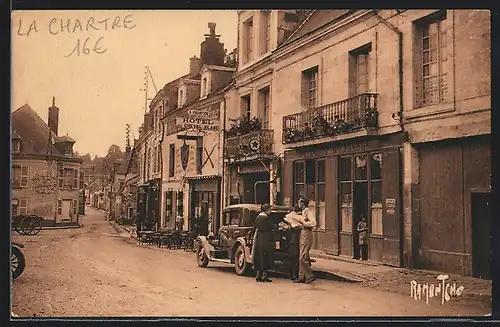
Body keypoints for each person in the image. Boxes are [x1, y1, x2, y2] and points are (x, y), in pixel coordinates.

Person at [294, 197, 316, 284]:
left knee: (302, 256)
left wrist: (303, 223)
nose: (298, 204)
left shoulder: (308, 211)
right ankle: (301, 276)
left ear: (302, 203)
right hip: (303, 232)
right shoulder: (303, 212)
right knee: (302, 255)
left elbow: (313, 223)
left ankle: (310, 276)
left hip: (307, 232)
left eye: (299, 202)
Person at [252, 203, 275, 282]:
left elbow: (254, 227)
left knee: (259, 256)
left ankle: (258, 275)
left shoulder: (258, 217)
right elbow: (272, 226)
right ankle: (264, 276)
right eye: (269, 210)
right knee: (265, 257)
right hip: (265, 238)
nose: (270, 211)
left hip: (259, 238)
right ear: (266, 210)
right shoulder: (265, 218)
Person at [284, 205, 302, 281]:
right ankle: (295, 274)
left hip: (293, 239)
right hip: (297, 239)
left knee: (294, 258)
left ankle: (293, 274)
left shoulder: (289, 217)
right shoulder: (299, 217)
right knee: (296, 257)